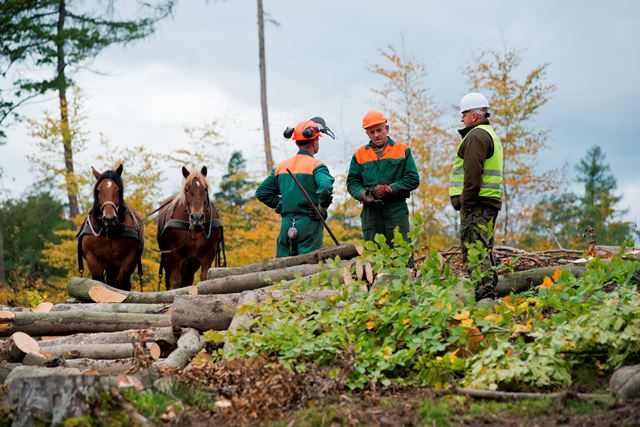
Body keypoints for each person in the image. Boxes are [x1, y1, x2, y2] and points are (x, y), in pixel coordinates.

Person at [449, 92, 503, 300]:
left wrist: (466, 203)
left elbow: (472, 174)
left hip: (477, 205)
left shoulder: (477, 136)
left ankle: (483, 297)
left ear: (473, 115)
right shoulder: (489, 134)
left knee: (474, 251)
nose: (462, 119)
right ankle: (487, 294)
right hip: (487, 203)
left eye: (464, 114)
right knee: (483, 250)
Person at [256, 117, 335, 257]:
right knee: (309, 270)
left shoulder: (281, 167)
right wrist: (321, 209)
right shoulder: (317, 166)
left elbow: (262, 192)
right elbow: (325, 188)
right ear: (315, 140)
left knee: (282, 271)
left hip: (286, 225)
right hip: (309, 225)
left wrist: (278, 203)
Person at [346, 110, 420, 246]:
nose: (376, 135)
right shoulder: (359, 155)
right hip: (371, 212)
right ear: (367, 133)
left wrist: (389, 189)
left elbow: (413, 179)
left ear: (386, 129)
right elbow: (352, 183)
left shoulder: (402, 150)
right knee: (374, 255)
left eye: (379, 130)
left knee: (401, 250)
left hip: (396, 209)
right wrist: (362, 194)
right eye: (371, 132)